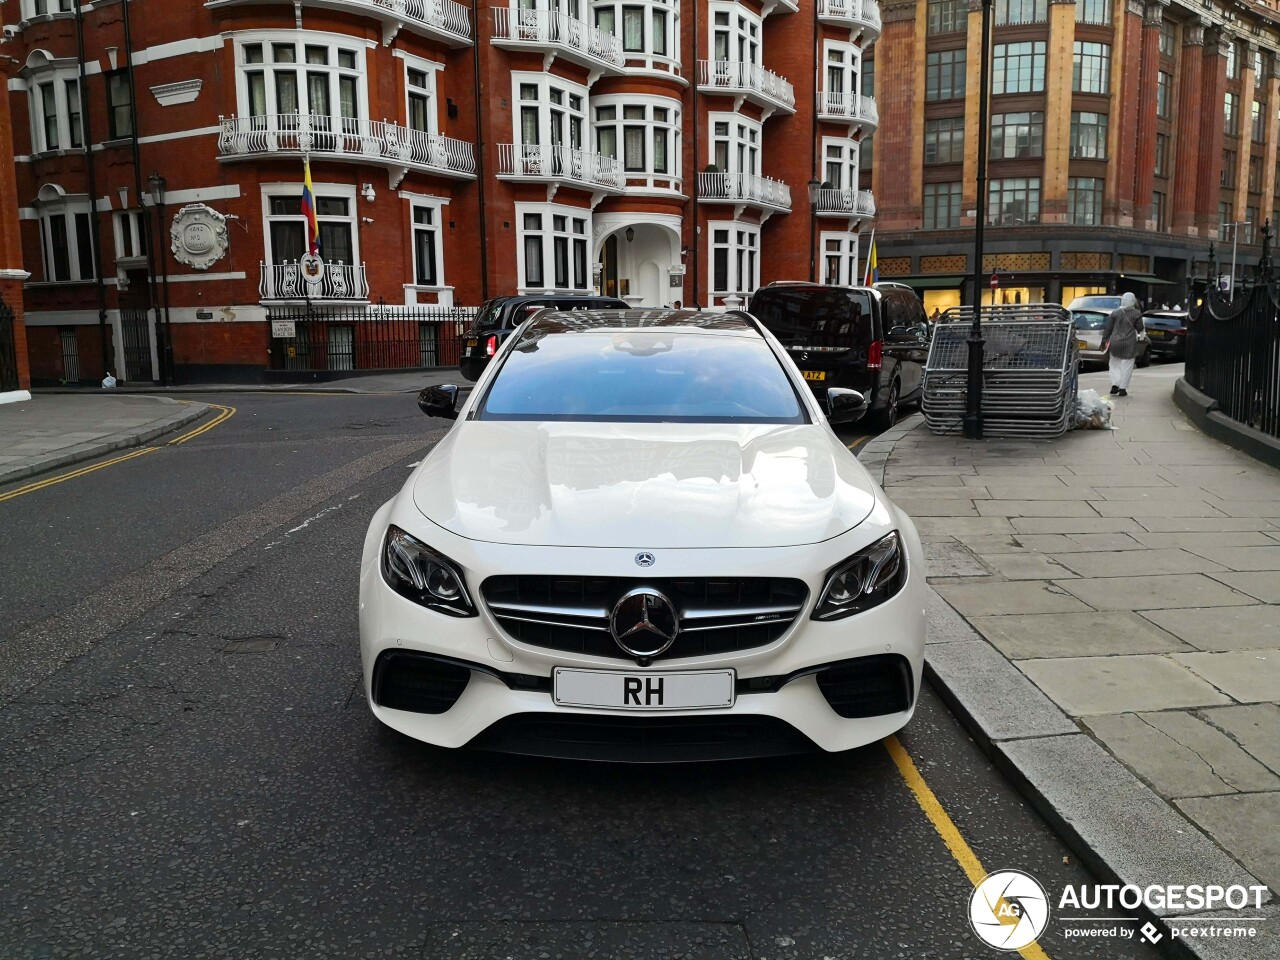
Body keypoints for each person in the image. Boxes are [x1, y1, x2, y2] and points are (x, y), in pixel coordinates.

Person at [1102, 291, 1143, 397]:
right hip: (1129, 343)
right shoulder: (1136, 314)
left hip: (1115, 342)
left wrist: (1104, 339)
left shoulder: (1115, 313)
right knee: (1127, 366)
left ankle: (1114, 385)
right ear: (1133, 301)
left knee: (1114, 365)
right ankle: (1122, 388)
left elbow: (1108, 328)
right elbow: (1140, 328)